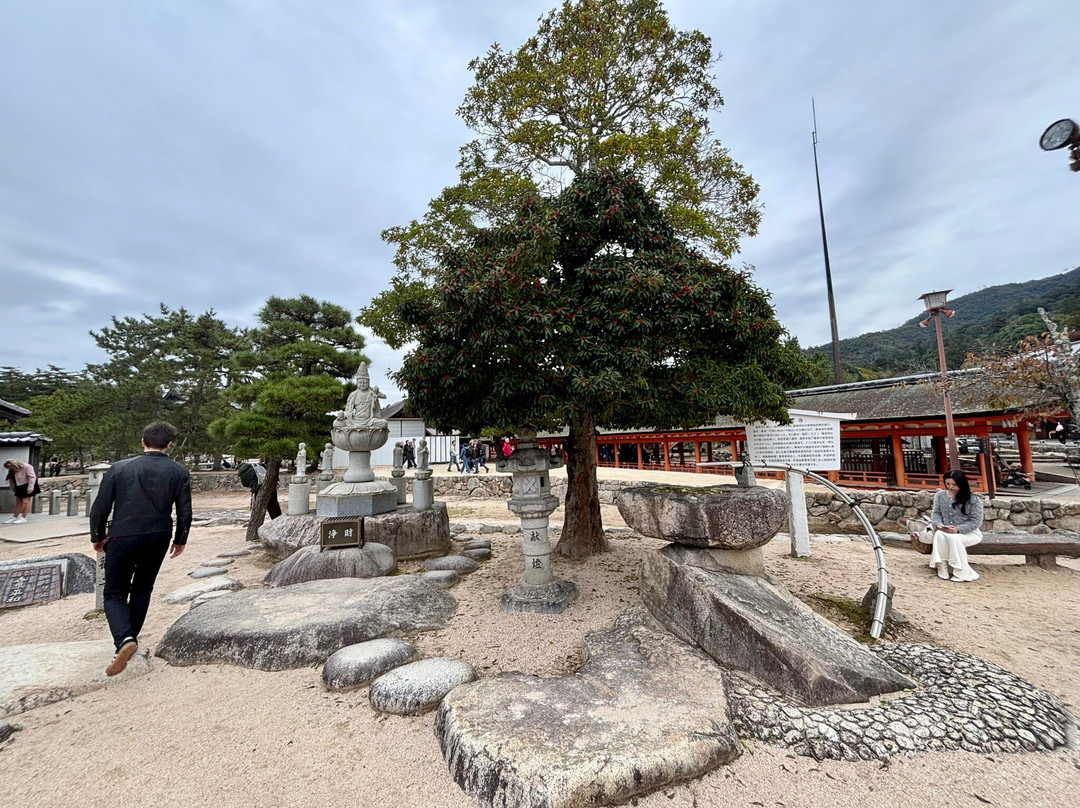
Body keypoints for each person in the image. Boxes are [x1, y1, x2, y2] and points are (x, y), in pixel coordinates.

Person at [89, 422, 192, 676]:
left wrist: (97, 536)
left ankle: (124, 639)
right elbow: (184, 511)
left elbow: (100, 506)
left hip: (123, 533)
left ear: (142, 441)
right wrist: (180, 539)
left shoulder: (120, 468)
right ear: (169, 445)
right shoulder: (179, 471)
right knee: (143, 588)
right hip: (159, 535)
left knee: (114, 592)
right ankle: (129, 640)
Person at [926, 469, 984, 583]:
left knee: (955, 539)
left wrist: (958, 529)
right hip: (946, 530)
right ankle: (942, 564)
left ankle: (961, 570)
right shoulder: (940, 496)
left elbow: (976, 521)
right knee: (939, 535)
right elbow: (936, 513)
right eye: (948, 484)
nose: (951, 487)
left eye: (954, 484)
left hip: (969, 533)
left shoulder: (973, 499)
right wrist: (938, 525)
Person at [3, 459, 38, 524]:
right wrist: (11, 485)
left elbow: (32, 477)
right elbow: (11, 477)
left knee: (26, 501)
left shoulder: (27, 467)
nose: (11, 469)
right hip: (19, 485)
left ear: (15, 465)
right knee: (19, 501)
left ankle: (23, 518)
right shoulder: (12, 470)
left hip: (28, 484)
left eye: (11, 467)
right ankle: (14, 517)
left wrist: (30, 487)